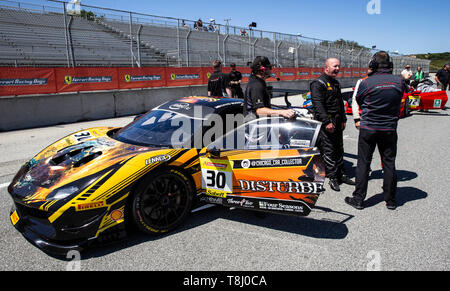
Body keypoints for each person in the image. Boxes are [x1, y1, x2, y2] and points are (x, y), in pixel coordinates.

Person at [345, 51, 407, 210]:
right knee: (389, 163)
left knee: (363, 163)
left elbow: (359, 100)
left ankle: (358, 199)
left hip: (369, 128)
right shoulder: (399, 82)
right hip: (389, 129)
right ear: (390, 66)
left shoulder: (366, 82)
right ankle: (391, 200)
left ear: (373, 65)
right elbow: (400, 98)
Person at [310, 58, 355, 192]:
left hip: (337, 120)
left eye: (338, 66)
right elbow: (318, 105)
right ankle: (332, 177)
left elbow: (340, 103)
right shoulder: (318, 83)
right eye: (334, 66)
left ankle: (341, 174)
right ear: (326, 67)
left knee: (339, 148)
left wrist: (343, 119)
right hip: (326, 122)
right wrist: (327, 122)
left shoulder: (335, 83)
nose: (337, 69)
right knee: (328, 150)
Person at [243, 56, 295, 120]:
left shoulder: (256, 81)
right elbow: (259, 111)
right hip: (254, 125)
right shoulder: (257, 85)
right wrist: (282, 112)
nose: (271, 70)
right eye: (269, 67)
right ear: (262, 69)